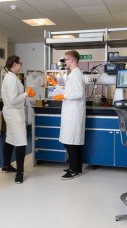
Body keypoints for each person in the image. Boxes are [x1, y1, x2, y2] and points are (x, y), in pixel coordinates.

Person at [47, 50, 86, 180]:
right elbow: (68, 90)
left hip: (73, 114)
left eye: (65, 59)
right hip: (71, 112)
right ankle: (77, 167)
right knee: (73, 142)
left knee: (70, 142)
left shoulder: (76, 75)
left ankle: (73, 169)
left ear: (72, 60)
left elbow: (79, 93)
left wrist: (64, 96)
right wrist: (55, 84)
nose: (64, 62)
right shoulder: (73, 74)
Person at [1, 55, 35, 184]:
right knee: (20, 142)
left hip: (12, 112)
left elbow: (14, 97)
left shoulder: (11, 77)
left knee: (10, 139)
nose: (21, 65)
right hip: (14, 113)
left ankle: (6, 165)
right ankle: (20, 174)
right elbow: (14, 100)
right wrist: (27, 93)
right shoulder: (10, 79)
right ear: (14, 64)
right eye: (20, 63)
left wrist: (26, 94)